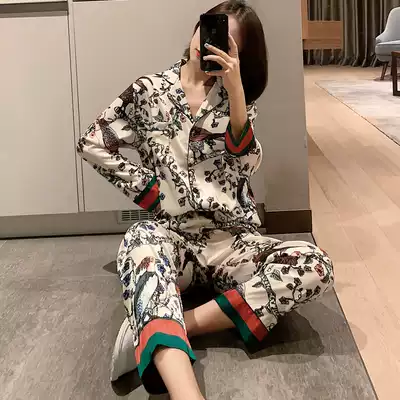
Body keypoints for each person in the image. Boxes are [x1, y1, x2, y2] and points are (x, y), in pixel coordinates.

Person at [77, 1, 334, 399]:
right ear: (196, 28)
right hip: (173, 237)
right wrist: (151, 191)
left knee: (314, 265)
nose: (207, 43)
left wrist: (236, 93)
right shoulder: (149, 92)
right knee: (138, 241)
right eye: (207, 28)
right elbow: (93, 142)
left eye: (226, 42)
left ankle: (174, 321)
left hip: (232, 243)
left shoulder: (237, 101)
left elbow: (245, 165)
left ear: (239, 55)